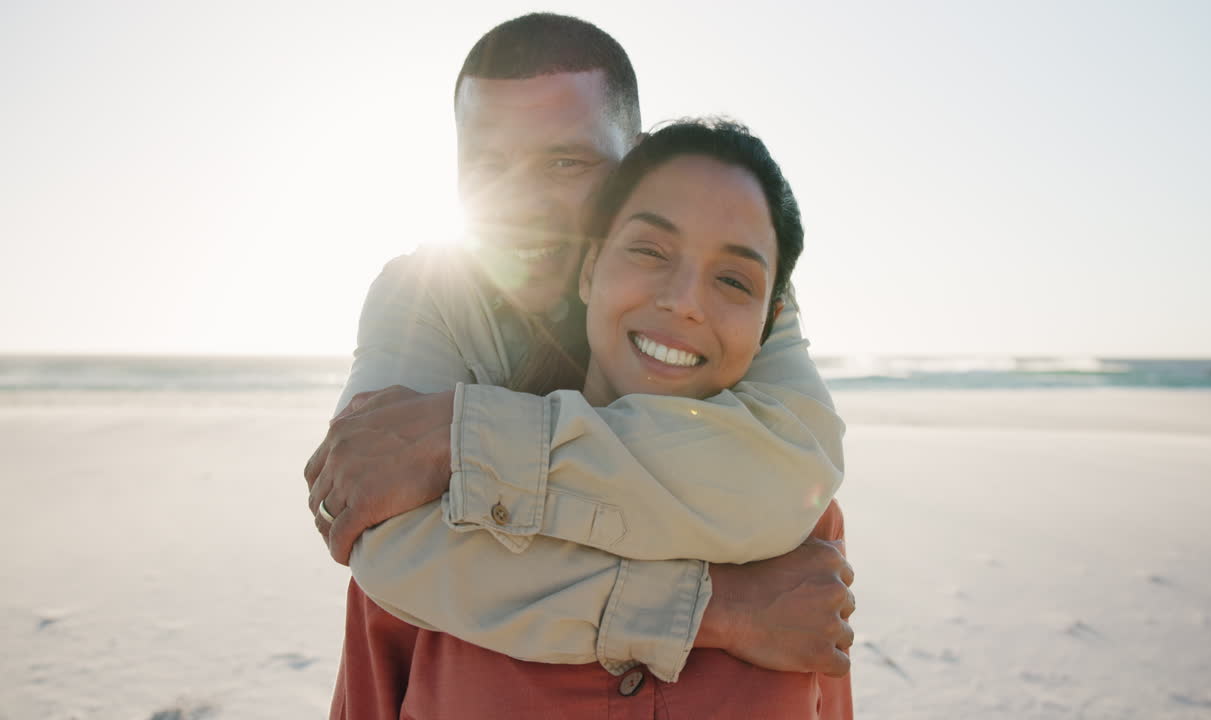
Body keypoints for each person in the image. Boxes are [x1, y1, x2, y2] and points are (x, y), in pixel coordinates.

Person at [303, 11, 854, 704]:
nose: (520, 205)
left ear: (639, 158)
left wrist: (462, 437)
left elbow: (784, 469)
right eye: (487, 166)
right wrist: (716, 611)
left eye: (566, 162)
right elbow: (386, 537)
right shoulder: (422, 292)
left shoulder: (724, 290)